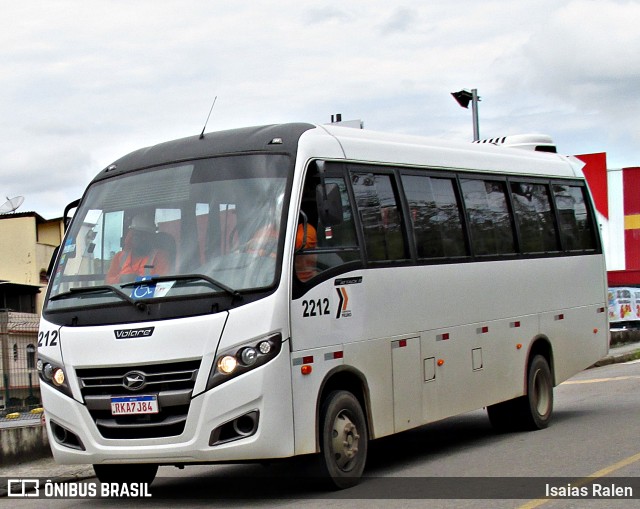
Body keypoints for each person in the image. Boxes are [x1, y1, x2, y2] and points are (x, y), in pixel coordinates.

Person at [105, 215, 171, 284]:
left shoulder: (160, 256)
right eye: (138, 235)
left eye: (146, 235)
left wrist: (139, 280)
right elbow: (108, 282)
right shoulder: (119, 256)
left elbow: (163, 283)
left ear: (152, 238)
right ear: (132, 236)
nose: (142, 239)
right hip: (120, 294)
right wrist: (121, 279)